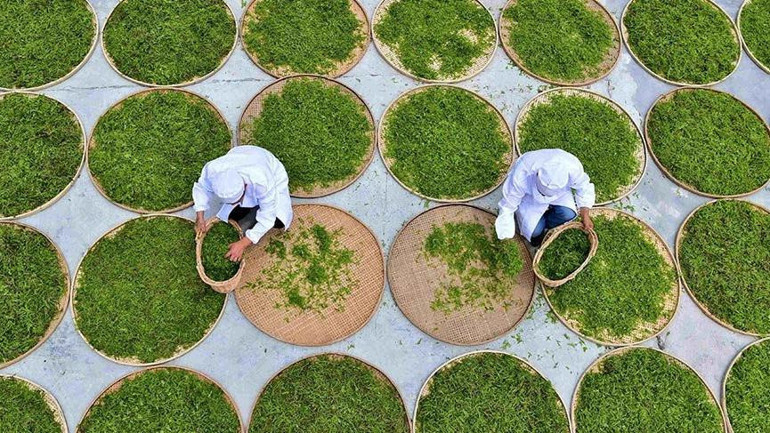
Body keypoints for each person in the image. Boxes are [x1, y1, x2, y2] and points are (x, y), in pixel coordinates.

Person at [192, 145, 293, 262]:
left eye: (239, 200)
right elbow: (202, 187)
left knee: (278, 221)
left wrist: (243, 244)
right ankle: (248, 211)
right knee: (231, 216)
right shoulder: (214, 170)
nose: (239, 203)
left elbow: (267, 218)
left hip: (270, 168)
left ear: (245, 186)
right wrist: (200, 217)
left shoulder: (262, 182)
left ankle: (255, 210)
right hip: (242, 153)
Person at [495, 149, 595, 247]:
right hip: (530, 195)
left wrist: (585, 215)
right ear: (537, 174)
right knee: (534, 232)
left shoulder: (572, 167)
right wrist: (506, 234)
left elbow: (584, 187)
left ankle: (547, 223)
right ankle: (539, 226)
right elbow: (508, 205)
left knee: (568, 213)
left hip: (560, 194)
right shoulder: (523, 172)